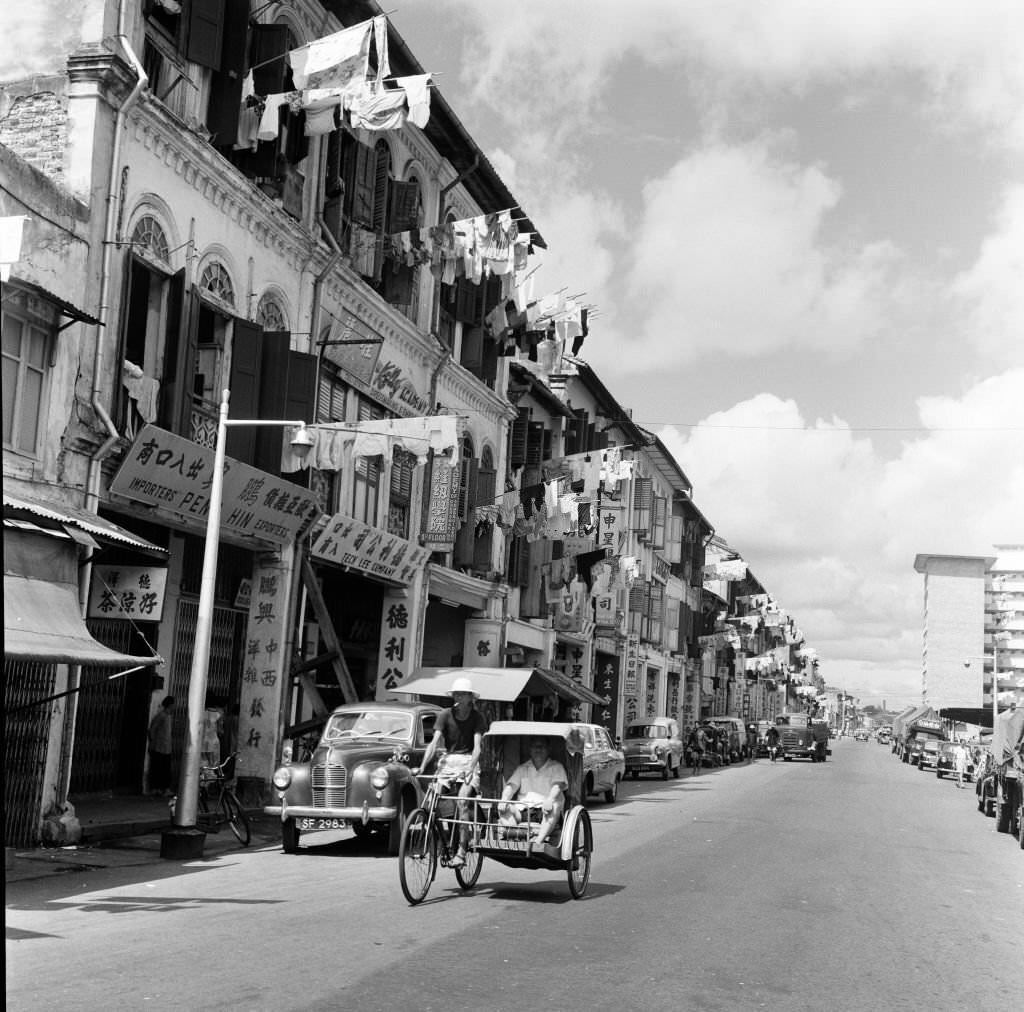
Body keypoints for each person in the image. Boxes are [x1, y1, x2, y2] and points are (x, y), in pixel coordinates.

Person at [414, 676, 487, 868]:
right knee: (430, 801)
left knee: (462, 801)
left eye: (463, 694)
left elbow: (478, 747)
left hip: (468, 760)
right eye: (456, 693)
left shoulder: (477, 717)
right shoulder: (445, 714)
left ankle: (462, 850)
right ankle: (443, 839)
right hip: (448, 761)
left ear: (470, 697)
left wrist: (471, 768)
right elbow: (434, 743)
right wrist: (422, 766)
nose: (459, 697)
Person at [498, 736, 568, 852]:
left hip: (545, 811)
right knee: (504, 807)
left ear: (548, 749)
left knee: (554, 805)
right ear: (530, 749)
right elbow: (511, 786)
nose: (538, 749)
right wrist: (504, 799)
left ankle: (537, 842)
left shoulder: (556, 767)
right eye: (535, 746)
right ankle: (516, 839)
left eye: (542, 746)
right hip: (523, 811)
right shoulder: (522, 768)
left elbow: (558, 785)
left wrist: (550, 799)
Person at [147, 695, 175, 797]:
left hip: (166, 747)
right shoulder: (162, 716)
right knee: (160, 768)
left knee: (163, 769)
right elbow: (152, 730)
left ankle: (162, 788)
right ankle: (159, 788)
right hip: (160, 747)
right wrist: (153, 743)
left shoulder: (167, 716)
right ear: (170, 705)